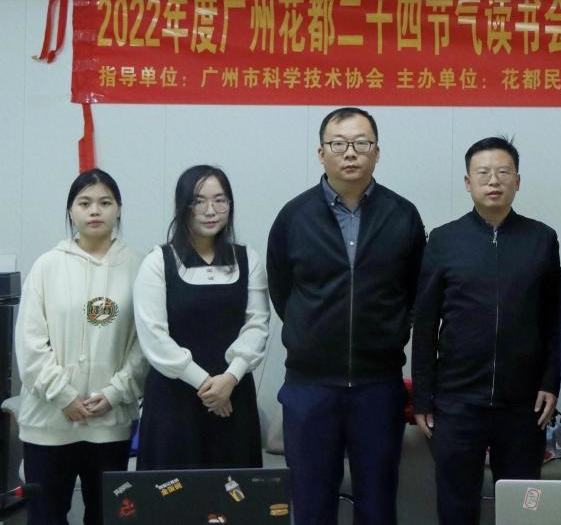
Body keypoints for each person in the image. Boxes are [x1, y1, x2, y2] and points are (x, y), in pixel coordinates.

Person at [267, 107, 426, 525]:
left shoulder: (402, 215)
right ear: (321, 153)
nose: (350, 152)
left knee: (378, 503)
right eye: (338, 144)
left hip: (378, 386)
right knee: (311, 503)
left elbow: (415, 292)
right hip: (310, 387)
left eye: (361, 143)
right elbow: (282, 291)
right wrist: (310, 334)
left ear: (377, 152)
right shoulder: (294, 216)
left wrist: (392, 332)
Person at [412, 136, 561, 524]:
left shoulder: (541, 239)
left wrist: (550, 381)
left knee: (526, 507)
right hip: (458, 402)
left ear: (518, 181)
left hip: (524, 405)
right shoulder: (444, 240)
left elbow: (555, 319)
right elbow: (425, 323)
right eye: (483, 173)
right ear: (468, 183)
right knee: (457, 506)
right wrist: (424, 397)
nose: (493, 181)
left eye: (503, 172)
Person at [14, 168, 147, 525]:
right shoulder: (47, 266)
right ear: (70, 211)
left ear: (119, 209)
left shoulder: (140, 267)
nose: (95, 211)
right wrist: (63, 395)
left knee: (106, 516)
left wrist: (115, 393)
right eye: (84, 203)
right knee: (46, 516)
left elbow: (145, 343)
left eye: (105, 202)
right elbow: (29, 343)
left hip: (110, 422)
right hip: (49, 423)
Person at [133, 165, 268, 469]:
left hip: (233, 395)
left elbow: (257, 325)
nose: (210, 211)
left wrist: (229, 379)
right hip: (175, 400)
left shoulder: (247, 258)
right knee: (172, 491)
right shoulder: (158, 261)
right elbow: (154, 337)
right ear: (182, 207)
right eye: (198, 201)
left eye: (220, 200)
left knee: (233, 490)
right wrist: (208, 385)